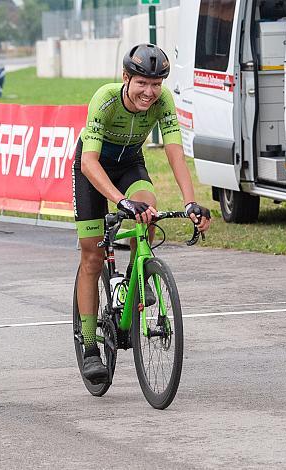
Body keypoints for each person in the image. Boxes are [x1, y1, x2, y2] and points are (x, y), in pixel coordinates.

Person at [73, 43, 211, 382]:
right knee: (92, 257)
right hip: (93, 170)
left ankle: (141, 274)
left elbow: (175, 151)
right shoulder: (105, 99)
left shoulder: (163, 102)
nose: (149, 92)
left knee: (148, 212)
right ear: (126, 78)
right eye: (141, 84)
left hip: (130, 164)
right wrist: (120, 201)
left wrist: (191, 200)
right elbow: (89, 163)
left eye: (156, 84)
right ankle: (91, 346)